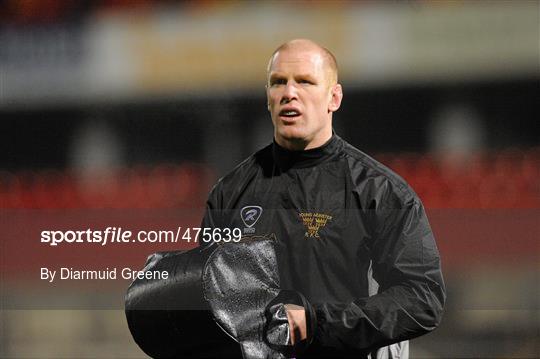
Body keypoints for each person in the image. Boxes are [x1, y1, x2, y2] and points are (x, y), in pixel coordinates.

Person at [200, 39, 445, 358]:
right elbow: (210, 297)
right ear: (268, 98)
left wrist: (317, 324)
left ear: (334, 97)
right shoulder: (229, 193)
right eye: (278, 82)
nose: (289, 92)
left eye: (304, 81)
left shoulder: (380, 192)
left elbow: (423, 298)